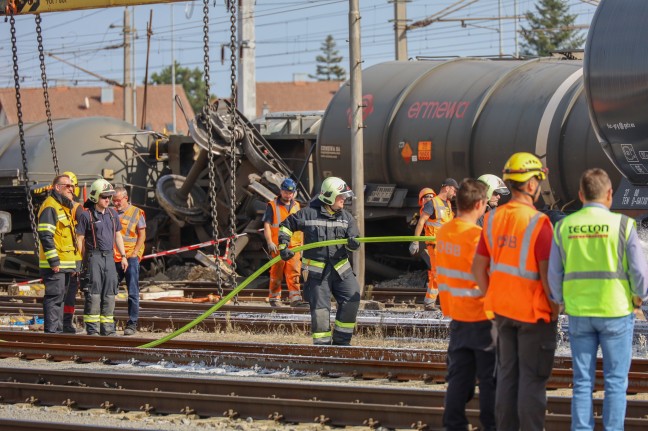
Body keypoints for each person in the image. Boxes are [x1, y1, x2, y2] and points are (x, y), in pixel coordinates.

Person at [548, 168, 648, 431]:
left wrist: (560, 302)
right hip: (616, 311)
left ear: (581, 195)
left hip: (580, 313)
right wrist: (640, 298)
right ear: (610, 194)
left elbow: (554, 273)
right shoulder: (623, 225)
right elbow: (639, 271)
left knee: (582, 381)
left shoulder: (565, 226)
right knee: (616, 380)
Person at [471, 152, 558, 431]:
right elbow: (548, 277)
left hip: (502, 312)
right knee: (531, 380)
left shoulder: (493, 219)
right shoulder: (538, 223)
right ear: (531, 185)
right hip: (533, 316)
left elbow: (478, 268)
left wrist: (492, 295)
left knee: (508, 377)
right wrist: (555, 308)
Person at [436, 178, 495, 431]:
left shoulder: (444, 232)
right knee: (491, 380)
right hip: (482, 317)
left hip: (458, 317)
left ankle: (454, 425)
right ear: (481, 205)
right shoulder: (478, 237)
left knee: (459, 379)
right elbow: (489, 276)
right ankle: (492, 426)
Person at [278, 176, 361, 345]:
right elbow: (286, 226)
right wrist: (283, 246)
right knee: (321, 310)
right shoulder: (307, 214)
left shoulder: (347, 218)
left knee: (352, 298)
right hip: (317, 273)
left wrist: (353, 243)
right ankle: (323, 348)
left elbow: (355, 242)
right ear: (329, 196)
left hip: (341, 270)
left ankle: (341, 343)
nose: (343, 200)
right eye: (340, 196)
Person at [75, 179, 128, 336]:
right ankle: (93, 330)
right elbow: (80, 239)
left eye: (109, 197)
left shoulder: (112, 214)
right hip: (94, 257)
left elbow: (118, 236)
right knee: (94, 292)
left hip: (109, 257)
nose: (108, 200)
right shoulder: (86, 216)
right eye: (104, 196)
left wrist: (123, 256)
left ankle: (108, 329)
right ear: (95, 197)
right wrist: (80, 261)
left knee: (110, 292)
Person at [37, 173, 79, 333]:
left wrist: (75, 264)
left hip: (66, 264)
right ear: (57, 187)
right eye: (67, 186)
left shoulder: (64, 207)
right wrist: (53, 261)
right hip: (56, 265)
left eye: (72, 186)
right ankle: (52, 333)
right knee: (54, 298)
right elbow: (46, 235)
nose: (71, 188)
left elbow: (70, 239)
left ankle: (59, 332)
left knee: (61, 299)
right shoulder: (50, 206)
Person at [411, 178, 458, 310]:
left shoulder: (447, 204)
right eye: (454, 190)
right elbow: (421, 222)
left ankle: (441, 301)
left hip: (447, 244)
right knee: (438, 273)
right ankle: (430, 302)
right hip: (435, 244)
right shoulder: (432, 203)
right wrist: (415, 240)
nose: (455, 194)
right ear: (447, 188)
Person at [262, 178, 306, 307]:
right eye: (286, 192)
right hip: (278, 246)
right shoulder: (272, 205)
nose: (288, 195)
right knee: (276, 272)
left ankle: (296, 299)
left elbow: (301, 227)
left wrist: (302, 245)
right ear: (281, 191)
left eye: (290, 193)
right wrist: (270, 242)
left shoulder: (297, 205)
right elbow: (267, 225)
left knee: (294, 272)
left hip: (295, 246)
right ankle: (274, 299)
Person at [112, 186, 146, 335]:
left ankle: (132, 323)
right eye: (114, 201)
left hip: (130, 257)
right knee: (110, 292)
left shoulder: (137, 213)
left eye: (118, 200)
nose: (116, 203)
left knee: (132, 291)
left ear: (126, 198)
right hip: (114, 257)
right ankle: (109, 322)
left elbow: (142, 235)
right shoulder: (111, 212)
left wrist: (135, 253)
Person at [62, 171, 84, 333]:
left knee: (62, 292)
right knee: (68, 291)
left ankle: (63, 323)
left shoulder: (74, 208)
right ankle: (66, 324)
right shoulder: (77, 208)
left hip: (65, 255)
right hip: (69, 256)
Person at [409, 187, 436, 269]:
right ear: (422, 200)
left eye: (432, 196)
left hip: (436, 241)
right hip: (434, 241)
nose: (431, 198)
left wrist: (415, 242)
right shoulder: (427, 209)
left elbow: (421, 223)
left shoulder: (431, 208)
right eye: (428, 196)